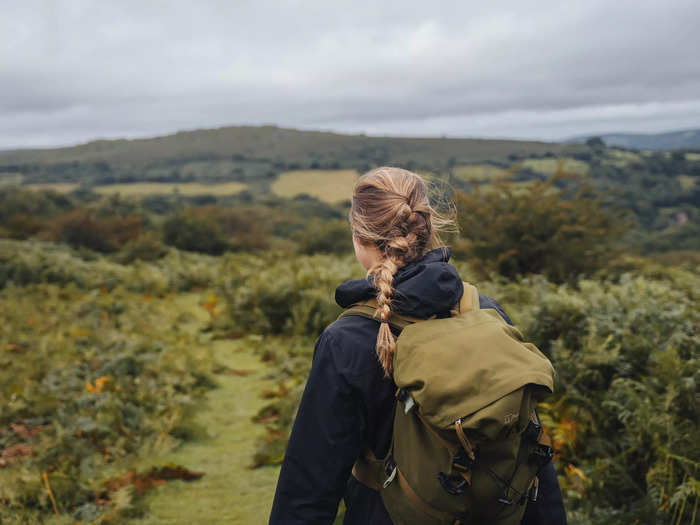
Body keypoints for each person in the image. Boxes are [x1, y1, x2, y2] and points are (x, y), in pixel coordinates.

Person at [269, 167, 567, 524]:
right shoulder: (484, 309)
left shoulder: (345, 341)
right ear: (428, 229)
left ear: (358, 237)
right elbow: (529, 447)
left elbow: (309, 487)